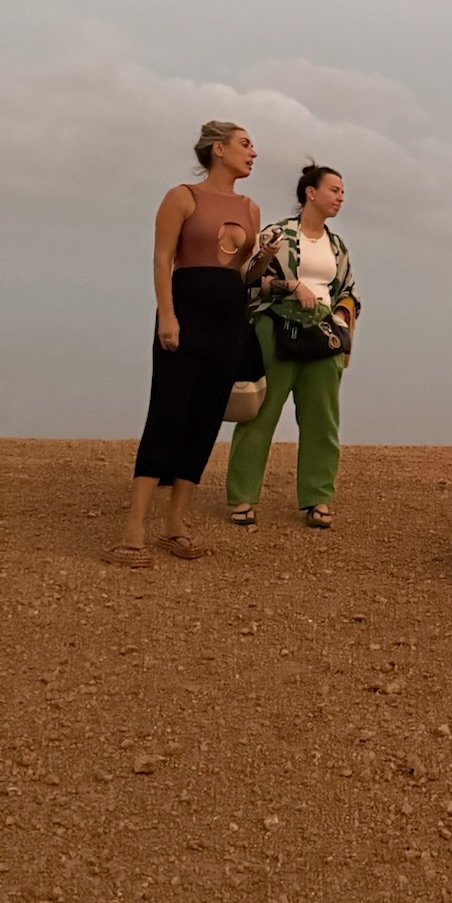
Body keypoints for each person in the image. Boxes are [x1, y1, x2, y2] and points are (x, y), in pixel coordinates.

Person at [109, 121, 264, 568]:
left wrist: (262, 265)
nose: (253, 153)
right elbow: (162, 259)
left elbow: (240, 273)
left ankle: (175, 524)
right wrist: (168, 315)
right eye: (245, 145)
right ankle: (133, 529)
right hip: (185, 314)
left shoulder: (251, 208)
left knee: (205, 419)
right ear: (219, 150)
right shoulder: (182, 197)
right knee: (167, 414)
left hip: (229, 321)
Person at [225, 162, 360, 530]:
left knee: (322, 420)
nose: (340, 197)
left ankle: (318, 498)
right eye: (334, 189)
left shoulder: (337, 246)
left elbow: (348, 290)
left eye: (343, 192)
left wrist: (343, 318)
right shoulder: (277, 235)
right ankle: (242, 497)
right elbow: (249, 278)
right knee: (261, 413)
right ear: (310, 193)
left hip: (324, 336)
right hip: (277, 330)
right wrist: (289, 287)